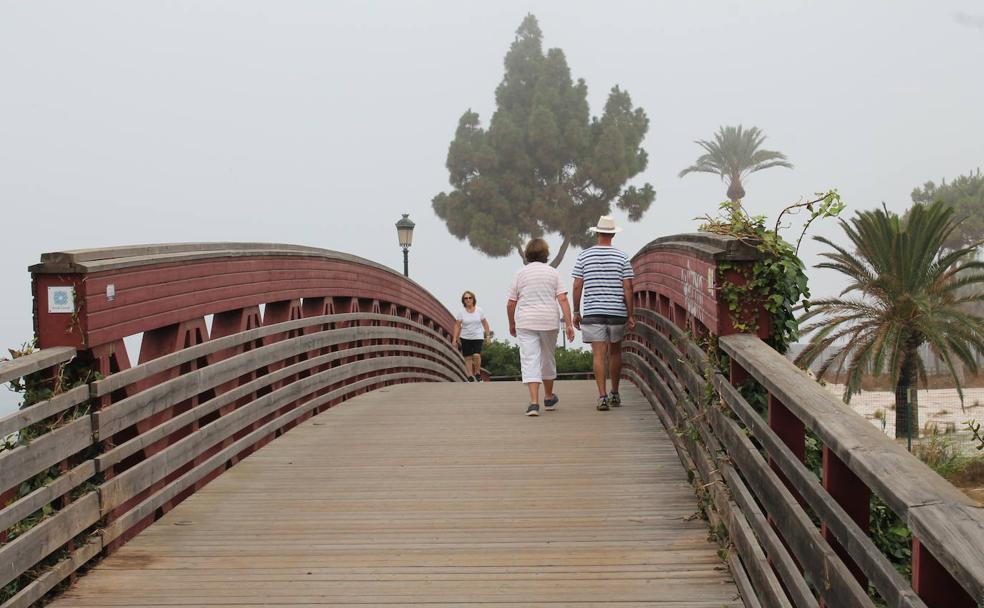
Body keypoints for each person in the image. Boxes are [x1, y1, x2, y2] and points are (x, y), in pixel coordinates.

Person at [572, 215, 636, 411]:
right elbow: (628, 287)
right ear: (613, 235)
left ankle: (602, 397)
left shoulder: (584, 256)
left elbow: (577, 285)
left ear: (597, 233)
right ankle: (615, 393)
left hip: (593, 312)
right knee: (615, 352)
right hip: (616, 311)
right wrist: (630, 314)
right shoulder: (622, 256)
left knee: (598, 355)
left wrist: (576, 311)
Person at [507, 238, 576, 417]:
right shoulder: (553, 273)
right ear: (546, 254)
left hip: (526, 321)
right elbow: (562, 299)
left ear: (528, 254)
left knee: (530, 359)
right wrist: (568, 324)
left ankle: (534, 404)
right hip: (548, 321)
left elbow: (510, 303)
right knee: (547, 357)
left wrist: (512, 323)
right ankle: (548, 396)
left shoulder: (520, 274)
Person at [452, 291, 491, 382]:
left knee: (477, 355)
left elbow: (485, 323)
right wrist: (454, 339)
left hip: (478, 336)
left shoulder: (479, 310)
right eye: (466, 298)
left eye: (470, 298)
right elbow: (457, 326)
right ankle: (470, 376)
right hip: (465, 337)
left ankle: (477, 373)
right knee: (468, 357)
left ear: (473, 299)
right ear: (463, 301)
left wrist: (488, 336)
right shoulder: (461, 312)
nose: (468, 300)